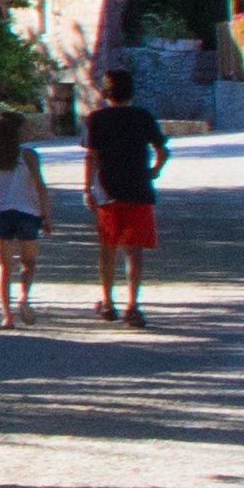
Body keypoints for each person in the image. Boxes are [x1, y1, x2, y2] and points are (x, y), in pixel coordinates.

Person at [82, 78, 173, 323]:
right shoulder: (143, 116)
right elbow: (163, 151)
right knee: (134, 251)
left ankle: (108, 302)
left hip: (107, 191)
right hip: (138, 189)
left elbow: (92, 156)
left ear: (105, 93)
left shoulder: (96, 119)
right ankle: (132, 305)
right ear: (130, 92)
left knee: (107, 248)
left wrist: (87, 188)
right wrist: (154, 171)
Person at [0, 99, 57, 315]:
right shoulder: (29, 155)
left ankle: (6, 315)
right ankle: (23, 298)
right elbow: (40, 186)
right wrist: (46, 215)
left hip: (0, 214)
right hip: (27, 214)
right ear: (17, 132)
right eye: (24, 128)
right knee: (28, 262)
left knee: (4, 266)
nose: (27, 131)